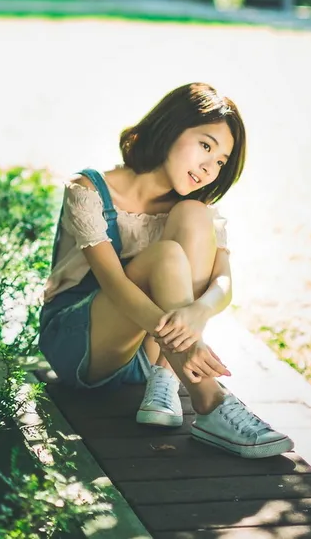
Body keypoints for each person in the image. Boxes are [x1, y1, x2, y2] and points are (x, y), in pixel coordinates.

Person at [38, 82, 293, 458]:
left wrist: (198, 312)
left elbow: (224, 281)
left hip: (148, 359)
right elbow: (116, 286)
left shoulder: (194, 207)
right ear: (170, 128)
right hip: (80, 346)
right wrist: (188, 344)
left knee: (191, 217)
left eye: (221, 160)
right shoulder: (88, 190)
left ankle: (166, 380)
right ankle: (209, 402)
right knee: (166, 256)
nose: (210, 167)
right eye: (206, 145)